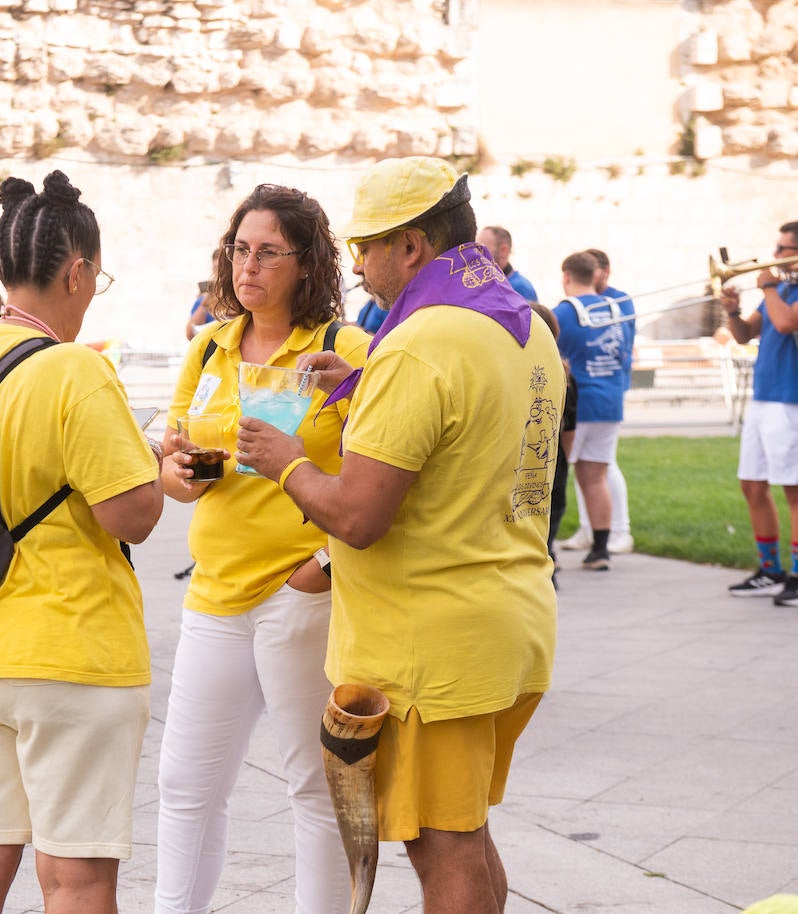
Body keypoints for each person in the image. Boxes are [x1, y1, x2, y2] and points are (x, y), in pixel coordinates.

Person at [236, 157, 561, 914]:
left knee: (440, 844)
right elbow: (465, 438)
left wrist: (284, 462)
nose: (358, 267)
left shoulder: (418, 345)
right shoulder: (518, 323)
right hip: (507, 620)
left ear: (411, 246)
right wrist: (358, 385)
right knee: (464, 831)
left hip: (430, 646)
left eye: (368, 248)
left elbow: (357, 514)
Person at [0, 169, 163, 914]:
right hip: (66, 656)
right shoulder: (74, 371)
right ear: (78, 270)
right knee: (76, 879)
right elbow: (133, 516)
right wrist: (152, 463)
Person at [154, 184, 366, 914]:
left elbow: (385, 477)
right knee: (186, 784)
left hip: (299, 591)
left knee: (312, 785)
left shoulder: (345, 351)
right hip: (214, 591)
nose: (249, 266)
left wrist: (323, 568)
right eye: (240, 249)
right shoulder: (209, 345)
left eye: (268, 252)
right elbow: (185, 466)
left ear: (306, 263)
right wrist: (179, 469)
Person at [721, 220, 798, 603]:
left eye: (783, 249)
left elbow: (785, 323)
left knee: (794, 491)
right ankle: (770, 570)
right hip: (764, 397)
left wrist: (767, 285)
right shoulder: (780, 287)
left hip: (791, 400)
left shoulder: (783, 290)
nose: (776, 254)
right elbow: (746, 334)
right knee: (752, 484)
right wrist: (733, 312)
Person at [553, 251, 628, 572]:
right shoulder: (616, 307)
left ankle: (548, 549)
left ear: (567, 276)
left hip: (576, 403)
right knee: (595, 477)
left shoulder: (564, 312)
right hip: (610, 400)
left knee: (555, 476)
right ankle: (600, 549)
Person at [528, 302, 577, 587]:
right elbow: (570, 428)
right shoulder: (566, 376)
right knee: (551, 515)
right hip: (554, 460)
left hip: (533, 455)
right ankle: (549, 561)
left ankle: (546, 565)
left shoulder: (529, 373)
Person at [478, 225, 538, 302]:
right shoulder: (491, 284)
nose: (476, 254)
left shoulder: (520, 287)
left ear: (504, 250)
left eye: (482, 249)